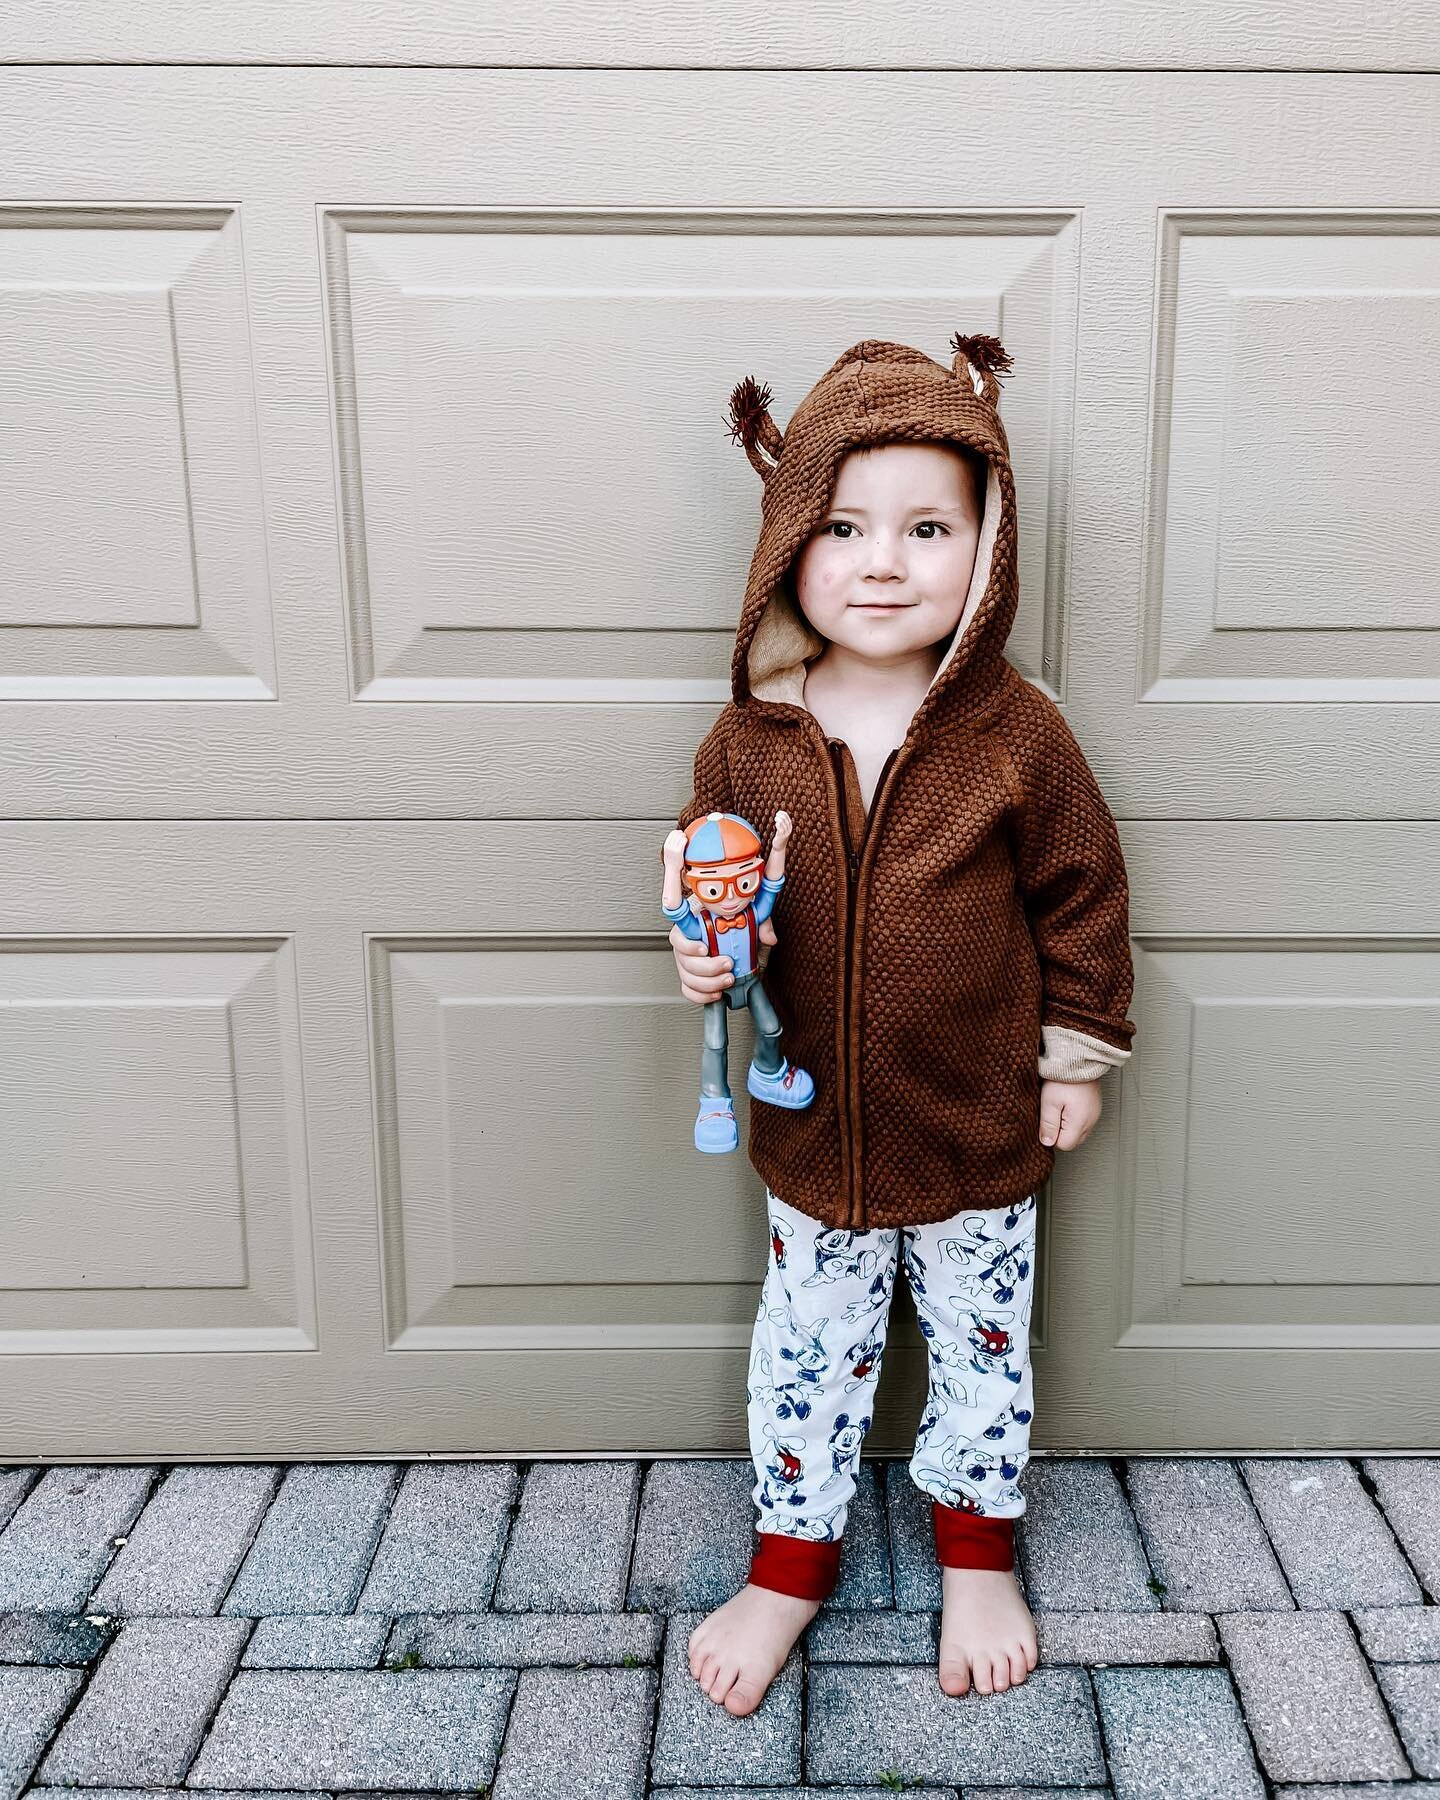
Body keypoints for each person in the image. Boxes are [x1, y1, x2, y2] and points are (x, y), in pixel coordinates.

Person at [664, 333, 1137, 1716]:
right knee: (805, 1346)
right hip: (813, 1130)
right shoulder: (747, 739)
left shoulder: (1012, 736)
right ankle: (789, 1561)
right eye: (842, 527)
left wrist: (1076, 1055)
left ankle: (978, 1554)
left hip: (981, 1115)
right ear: (784, 552)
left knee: (987, 1341)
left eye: (928, 528)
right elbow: (715, 886)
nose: (882, 563)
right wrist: (705, 956)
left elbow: (1084, 894)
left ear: (985, 550)